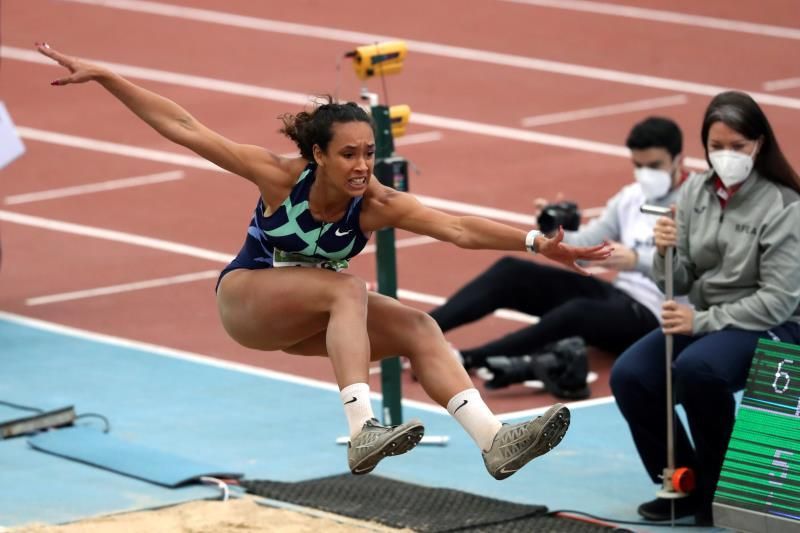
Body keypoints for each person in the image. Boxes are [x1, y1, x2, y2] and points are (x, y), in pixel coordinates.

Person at [37, 43, 612, 478]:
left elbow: (457, 227)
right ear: (318, 154)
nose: (363, 165)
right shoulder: (278, 177)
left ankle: (493, 440)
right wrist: (110, 76)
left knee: (420, 326)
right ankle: (362, 429)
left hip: (306, 318)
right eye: (349, 154)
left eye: (369, 152)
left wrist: (536, 243)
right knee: (347, 289)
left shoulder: (377, 203)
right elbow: (184, 128)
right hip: (246, 300)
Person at [610, 91, 800, 525]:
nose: (726, 156)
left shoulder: (785, 206)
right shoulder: (696, 190)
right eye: (717, 147)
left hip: (777, 323)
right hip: (713, 319)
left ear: (760, 144)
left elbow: (778, 299)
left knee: (699, 369)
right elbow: (679, 280)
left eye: (737, 146)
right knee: (632, 374)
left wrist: (702, 320)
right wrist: (665, 253)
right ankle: (684, 483)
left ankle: (721, 489)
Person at [429, 117, 690, 397]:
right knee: (512, 272)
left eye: (653, 166)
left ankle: (466, 359)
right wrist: (553, 230)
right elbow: (586, 248)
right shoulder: (632, 196)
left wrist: (636, 260)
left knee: (578, 312)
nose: (644, 174)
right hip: (620, 295)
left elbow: (700, 271)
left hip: (658, 315)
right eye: (638, 166)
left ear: (678, 159)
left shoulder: (698, 202)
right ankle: (421, 331)